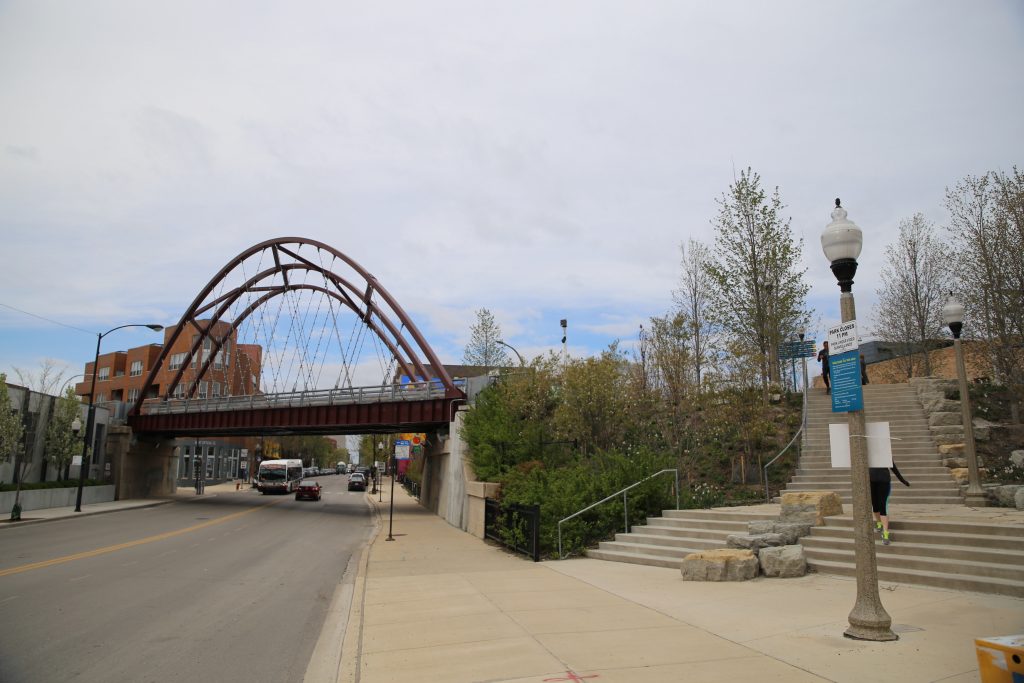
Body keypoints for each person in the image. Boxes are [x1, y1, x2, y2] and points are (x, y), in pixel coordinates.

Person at [870, 462, 910, 545]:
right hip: (871, 481)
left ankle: (885, 533)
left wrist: (902, 480)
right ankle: (879, 522)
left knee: (883, 506)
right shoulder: (870, 453)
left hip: (884, 481)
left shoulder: (885, 452)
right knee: (875, 505)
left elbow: (893, 467)